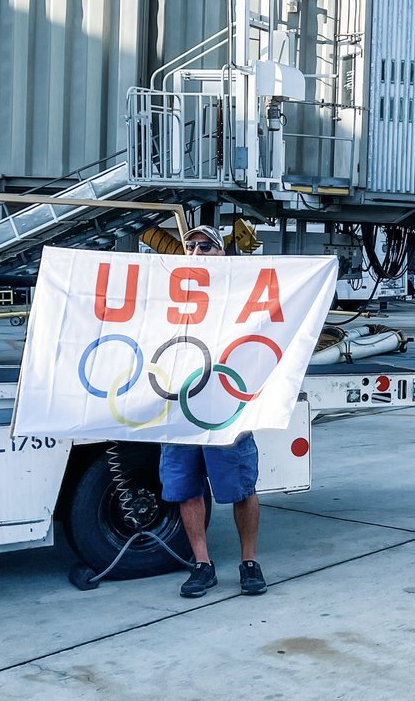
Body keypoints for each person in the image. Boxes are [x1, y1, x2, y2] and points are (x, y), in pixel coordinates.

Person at [159, 224, 266, 598]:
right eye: (190, 247)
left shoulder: (238, 291)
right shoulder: (165, 292)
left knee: (240, 487)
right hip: (178, 406)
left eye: (206, 247)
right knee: (186, 489)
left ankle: (249, 562)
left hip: (225, 405)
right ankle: (202, 565)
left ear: (222, 254)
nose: (196, 253)